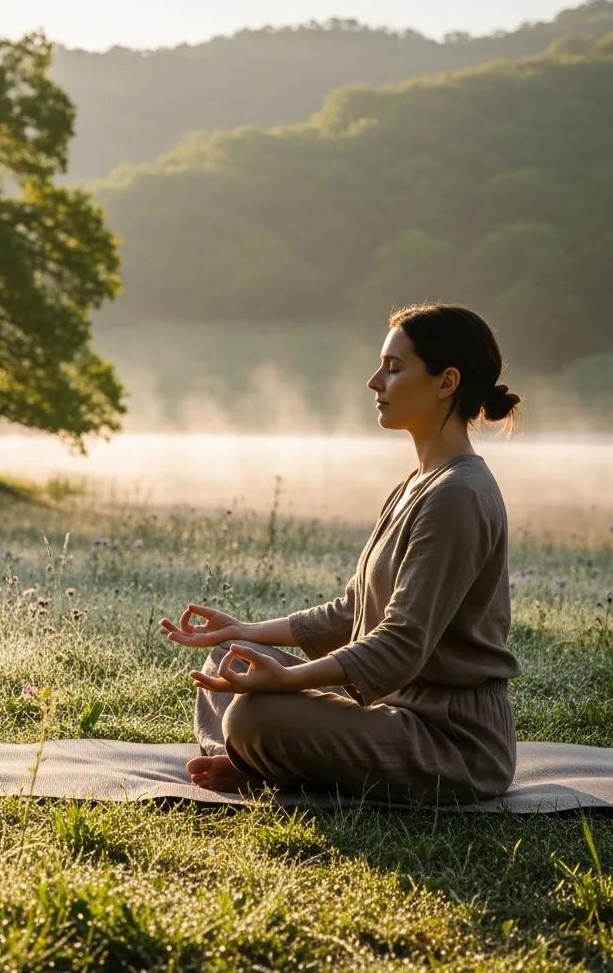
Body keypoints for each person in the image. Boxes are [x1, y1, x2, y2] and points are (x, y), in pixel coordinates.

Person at [159, 302, 523, 803]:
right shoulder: (417, 485)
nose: (375, 381)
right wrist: (243, 631)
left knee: (252, 711)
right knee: (232, 660)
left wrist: (285, 681)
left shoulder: (458, 495)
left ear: (446, 382)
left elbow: (399, 643)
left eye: (394, 368)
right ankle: (256, 758)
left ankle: (258, 758)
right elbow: (353, 611)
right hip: (388, 711)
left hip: (450, 743)